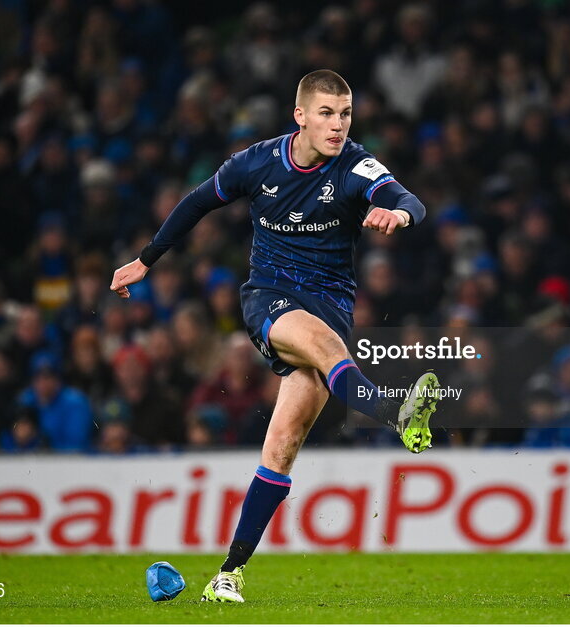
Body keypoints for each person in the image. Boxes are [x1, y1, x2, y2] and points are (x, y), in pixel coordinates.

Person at [109, 70, 441, 603]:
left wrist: (396, 212)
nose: (338, 125)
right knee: (330, 353)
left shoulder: (356, 164)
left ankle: (227, 574)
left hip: (330, 305)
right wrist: (146, 260)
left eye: (346, 113)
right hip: (270, 298)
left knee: (283, 444)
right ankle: (393, 413)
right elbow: (196, 203)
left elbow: (411, 200)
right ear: (301, 116)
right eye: (327, 114)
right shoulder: (255, 163)